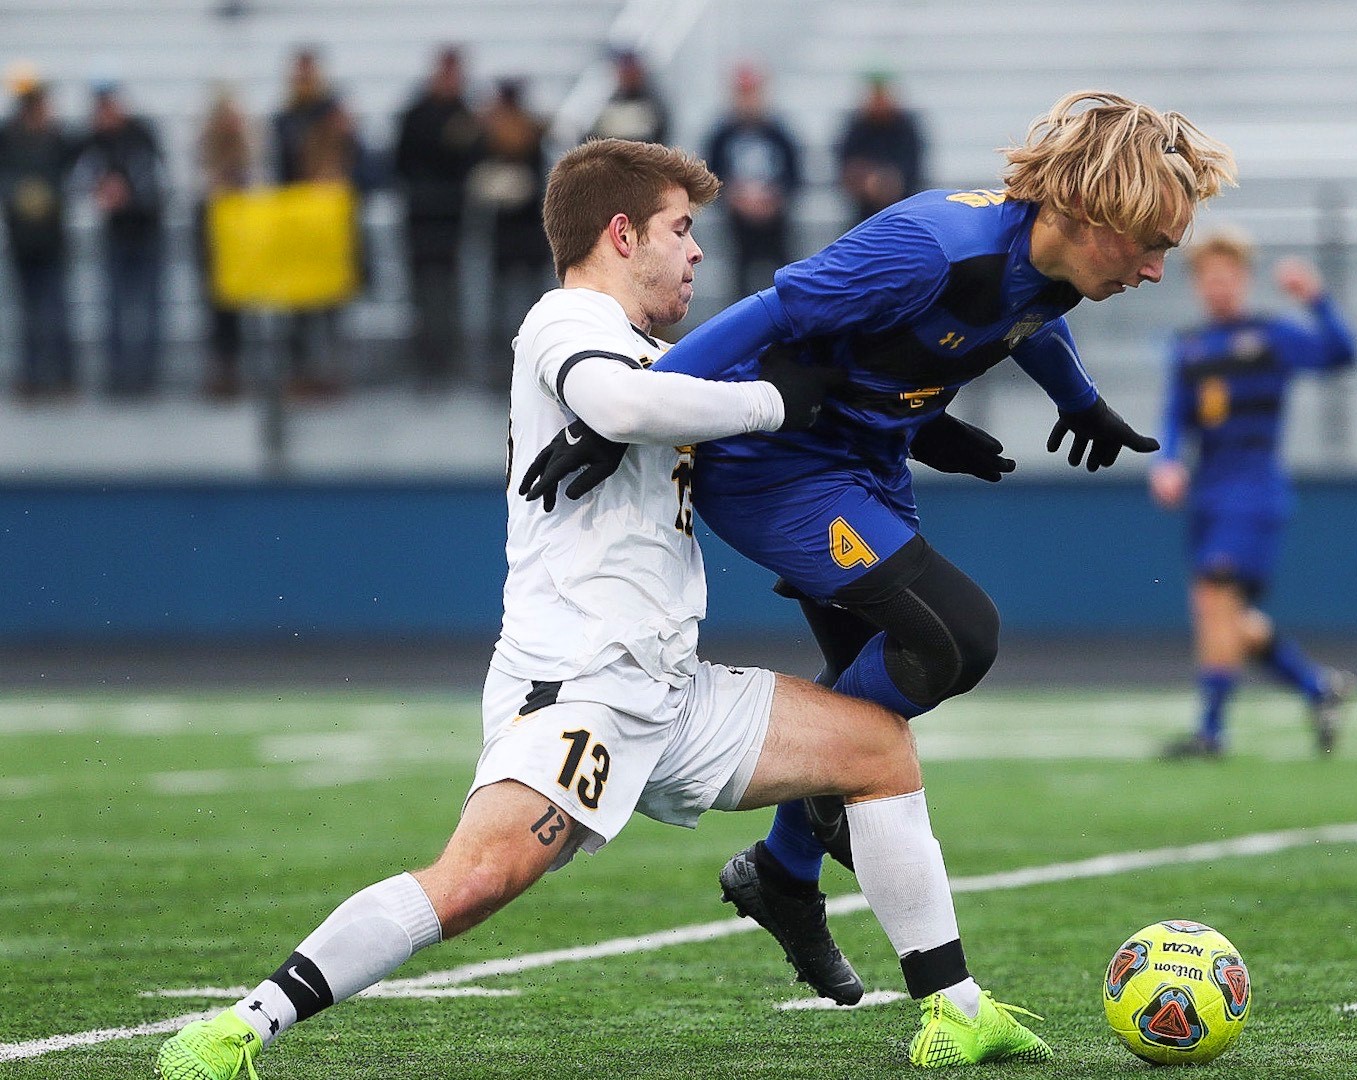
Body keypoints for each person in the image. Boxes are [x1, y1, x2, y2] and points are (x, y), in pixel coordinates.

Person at [153, 138, 1051, 1080]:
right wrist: (769, 407)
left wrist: (917, 424)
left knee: (876, 747)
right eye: (680, 229)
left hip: (669, 687)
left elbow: (756, 395)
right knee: (472, 884)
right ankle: (238, 1029)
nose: (697, 251)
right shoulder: (563, 319)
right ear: (621, 235)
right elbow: (621, 403)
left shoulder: (660, 350)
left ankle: (956, 1012)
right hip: (578, 685)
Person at [521, 91, 1237, 1003]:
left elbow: (1029, 316)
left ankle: (782, 878)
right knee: (952, 637)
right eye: (1151, 245)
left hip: (862, 463)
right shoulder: (932, 243)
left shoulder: (1054, 262)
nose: (1156, 269)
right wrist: (633, 408)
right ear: (1091, 215)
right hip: (775, 465)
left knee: (876, 690)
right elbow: (771, 315)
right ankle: (815, 819)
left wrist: (1074, 400)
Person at [1149, 227, 1357, 760]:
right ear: (1199, 283)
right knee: (1228, 616)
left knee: (1215, 597)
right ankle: (1319, 688)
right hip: (1210, 494)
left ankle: (1212, 731)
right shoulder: (1191, 346)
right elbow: (1176, 416)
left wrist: (1316, 298)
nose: (1219, 287)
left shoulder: (1270, 338)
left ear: (1242, 280)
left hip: (1254, 491)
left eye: (1228, 276)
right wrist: (1167, 460)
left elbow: (1341, 352)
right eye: (1209, 278)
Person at [271, 48, 364, 399]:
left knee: (330, 309)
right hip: (298, 226)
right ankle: (302, 375)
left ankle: (331, 374)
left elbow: (361, 167)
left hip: (329, 229)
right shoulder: (285, 120)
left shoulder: (333, 116)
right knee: (299, 312)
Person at [394, 46, 482, 390]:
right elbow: (401, 161)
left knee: (448, 287)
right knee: (422, 287)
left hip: (451, 216)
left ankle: (446, 354)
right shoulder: (417, 113)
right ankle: (424, 355)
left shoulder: (466, 114)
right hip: (421, 215)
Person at [77, 81, 165, 397]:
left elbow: (156, 178)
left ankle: (147, 376)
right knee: (114, 306)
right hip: (116, 234)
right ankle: (118, 376)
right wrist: (103, 190)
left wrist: (127, 195)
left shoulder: (142, 133)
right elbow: (84, 177)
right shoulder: (95, 142)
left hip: (146, 231)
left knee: (148, 306)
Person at [0, 71, 76, 400]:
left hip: (52, 238)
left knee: (56, 310)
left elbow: (70, 176)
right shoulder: (9, 137)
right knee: (30, 312)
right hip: (22, 239)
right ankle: (32, 377)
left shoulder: (57, 137)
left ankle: (62, 377)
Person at [473, 77, 549, 391]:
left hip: (525, 229)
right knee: (505, 300)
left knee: (527, 300)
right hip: (508, 232)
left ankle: (530, 360)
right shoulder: (489, 134)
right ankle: (506, 363)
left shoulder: (526, 133)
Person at [703, 62, 802, 299]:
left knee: (783, 274)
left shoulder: (779, 132)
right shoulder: (721, 135)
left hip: (775, 220)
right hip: (738, 221)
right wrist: (734, 197)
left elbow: (794, 175)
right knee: (740, 279)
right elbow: (709, 176)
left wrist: (774, 198)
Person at [195, 86, 253, 399]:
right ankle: (224, 369)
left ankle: (238, 369)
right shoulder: (207, 147)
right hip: (216, 236)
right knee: (218, 306)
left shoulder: (247, 146)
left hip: (242, 234)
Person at [836, 71, 924, 225]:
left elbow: (911, 172)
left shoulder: (906, 129)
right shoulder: (856, 128)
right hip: (862, 217)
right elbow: (845, 170)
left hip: (902, 215)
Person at [586, 48, 669, 145]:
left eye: (630, 70)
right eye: (624, 70)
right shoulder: (607, 103)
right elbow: (592, 135)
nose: (627, 75)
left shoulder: (652, 105)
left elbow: (659, 134)